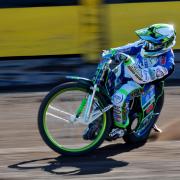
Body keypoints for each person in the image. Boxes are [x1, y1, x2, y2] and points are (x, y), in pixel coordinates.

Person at [101, 23, 176, 138]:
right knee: (106, 81)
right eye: (148, 41)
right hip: (131, 73)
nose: (147, 45)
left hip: (143, 84)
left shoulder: (167, 64)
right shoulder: (146, 44)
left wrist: (128, 61)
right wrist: (112, 52)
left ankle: (119, 127)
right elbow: (130, 47)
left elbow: (141, 77)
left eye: (152, 43)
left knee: (119, 96)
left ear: (164, 44)